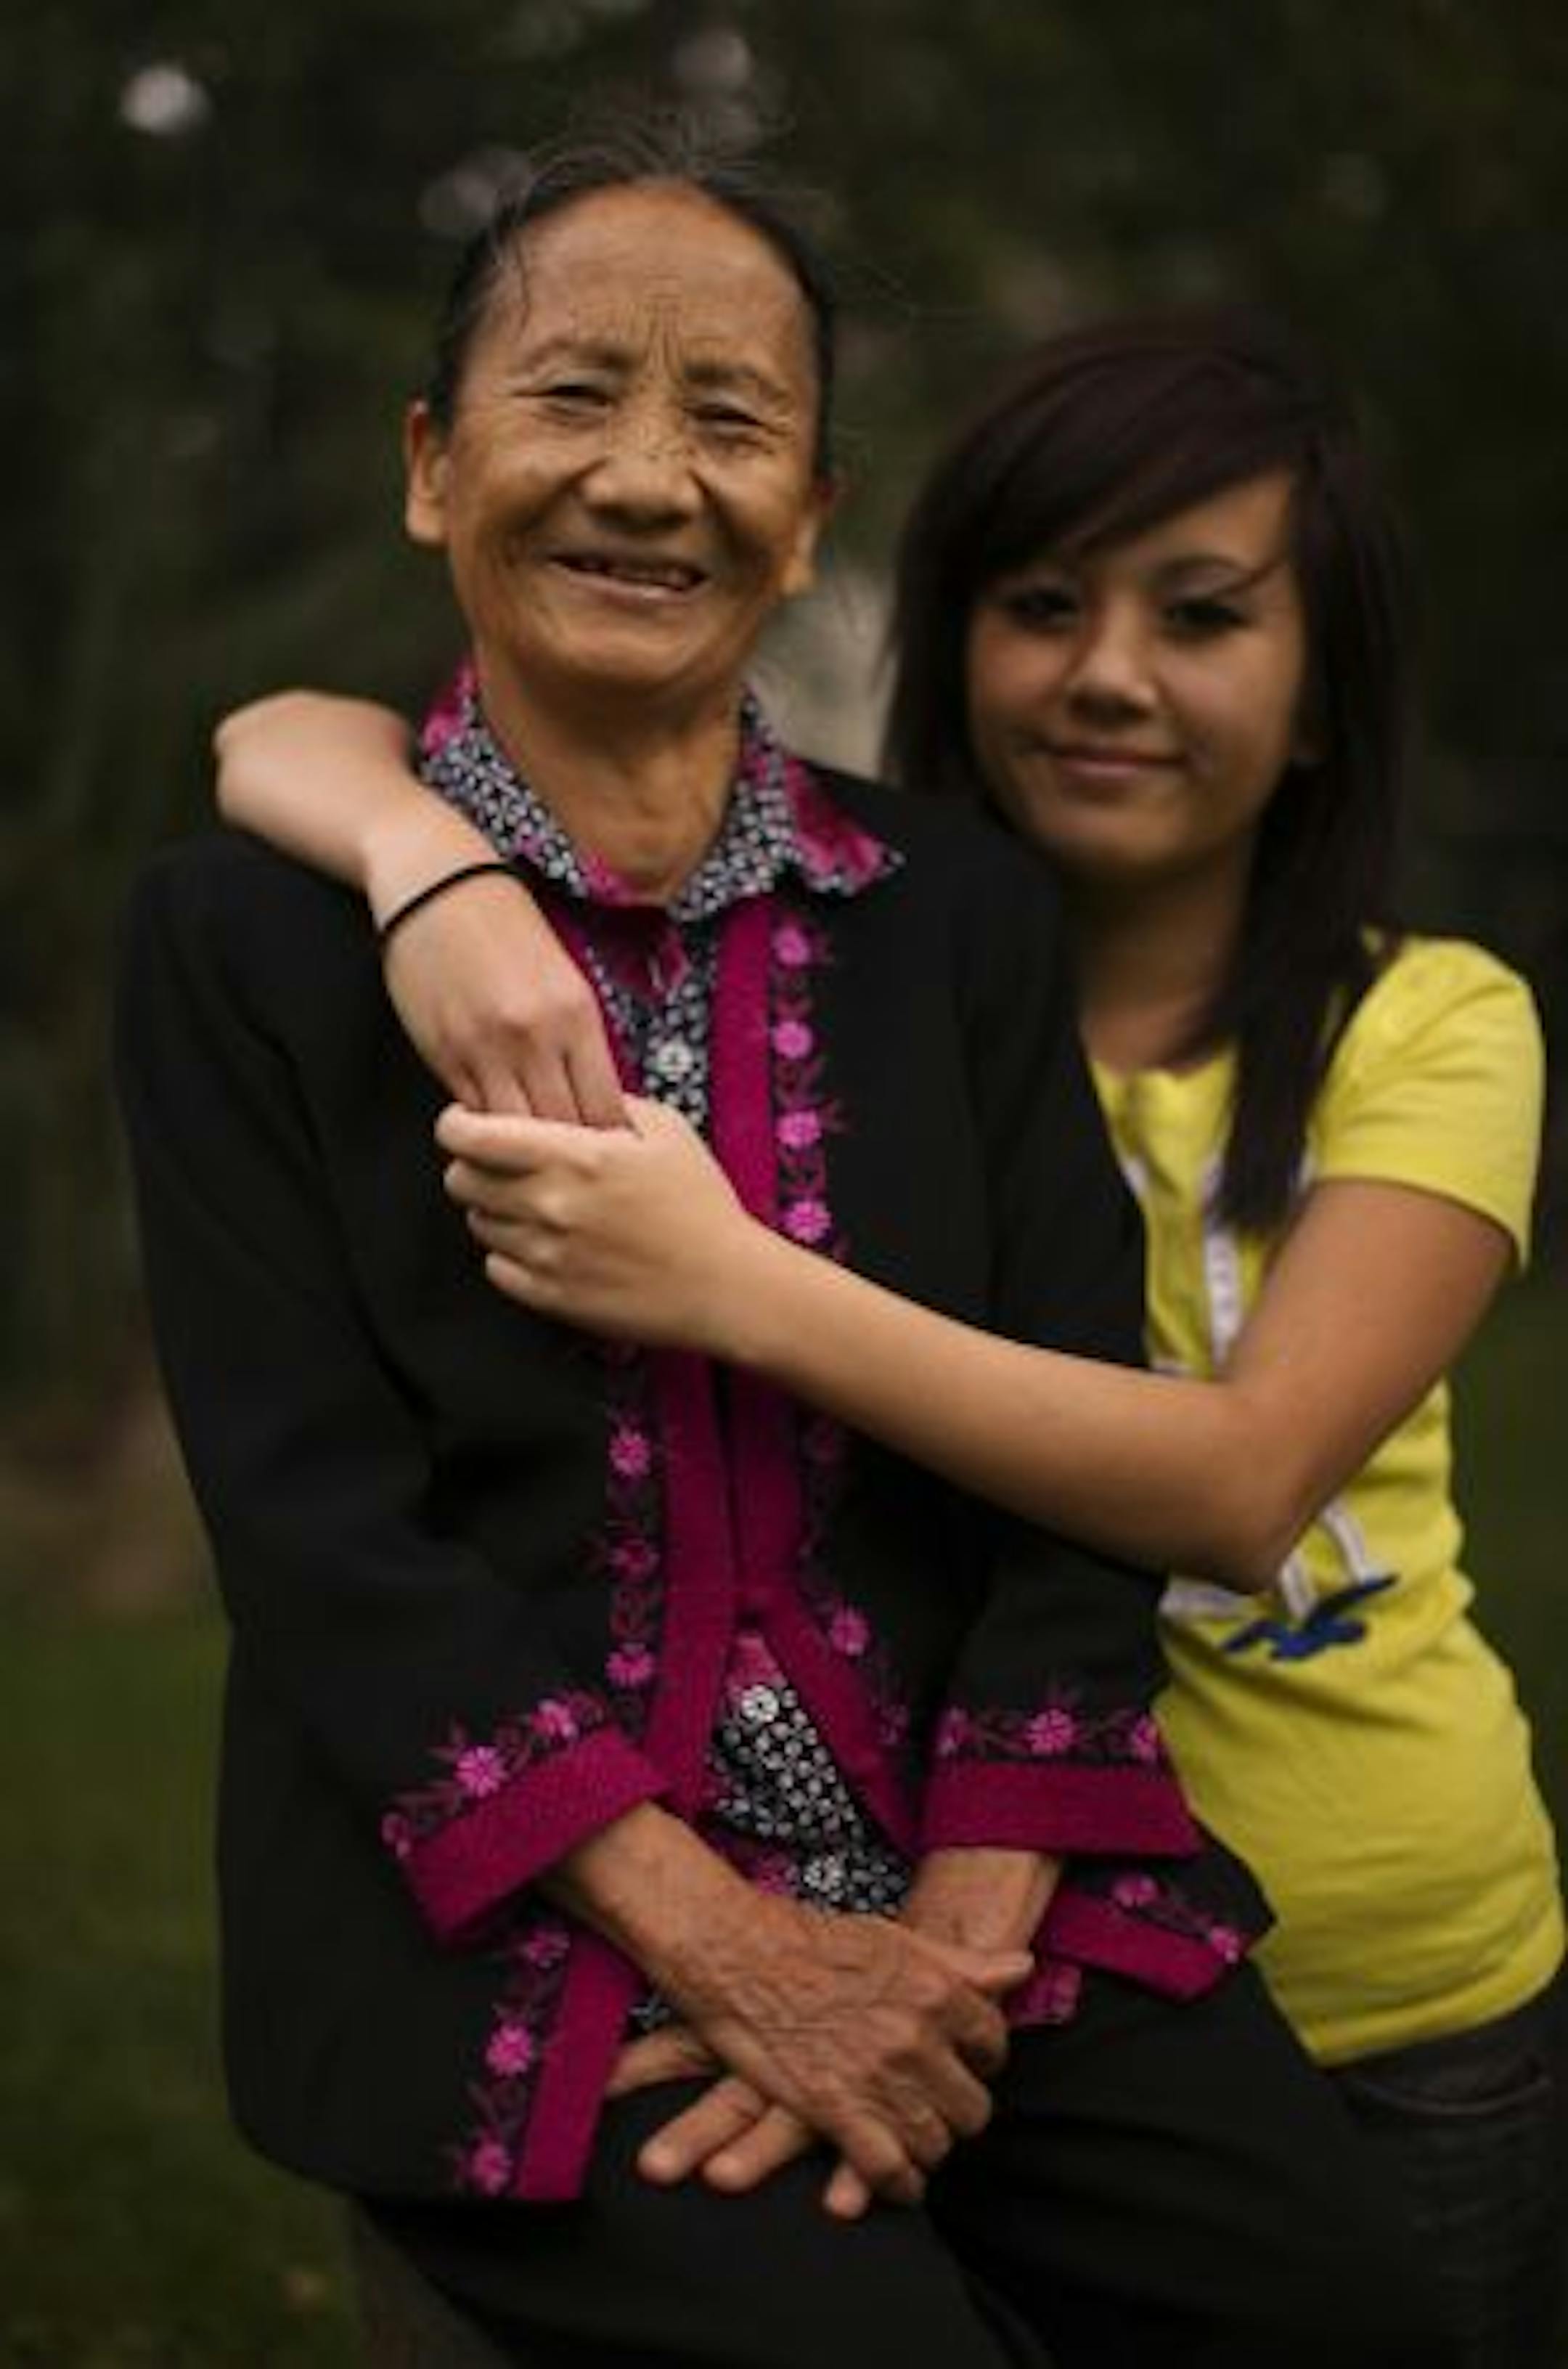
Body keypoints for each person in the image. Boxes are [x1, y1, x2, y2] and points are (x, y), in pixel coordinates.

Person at [120, 146, 1453, 2369]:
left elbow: (1073, 1451)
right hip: (530, 1940)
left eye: (730, 422)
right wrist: (740, 1951)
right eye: (573, 400)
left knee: (1349, 2320)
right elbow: (320, 1530)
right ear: (433, 469)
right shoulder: (247, 938)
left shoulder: (959, 915)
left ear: (813, 513)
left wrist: (950, 1935)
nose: (652, 480)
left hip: (992, 1876)